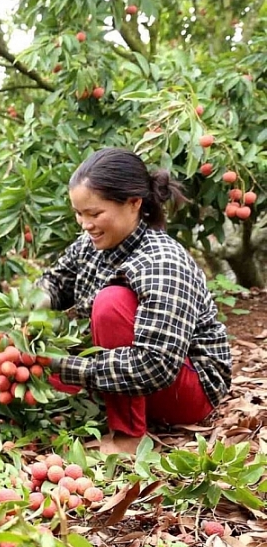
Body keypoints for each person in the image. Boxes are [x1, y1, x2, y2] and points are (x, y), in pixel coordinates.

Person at [37, 148, 232, 454]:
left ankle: (128, 435)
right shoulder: (90, 243)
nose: (85, 224)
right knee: (31, 376)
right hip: (129, 375)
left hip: (187, 387)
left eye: (95, 213)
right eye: (79, 213)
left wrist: (67, 367)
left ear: (134, 203)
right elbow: (57, 281)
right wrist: (31, 305)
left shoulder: (162, 262)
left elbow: (156, 366)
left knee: (111, 302)